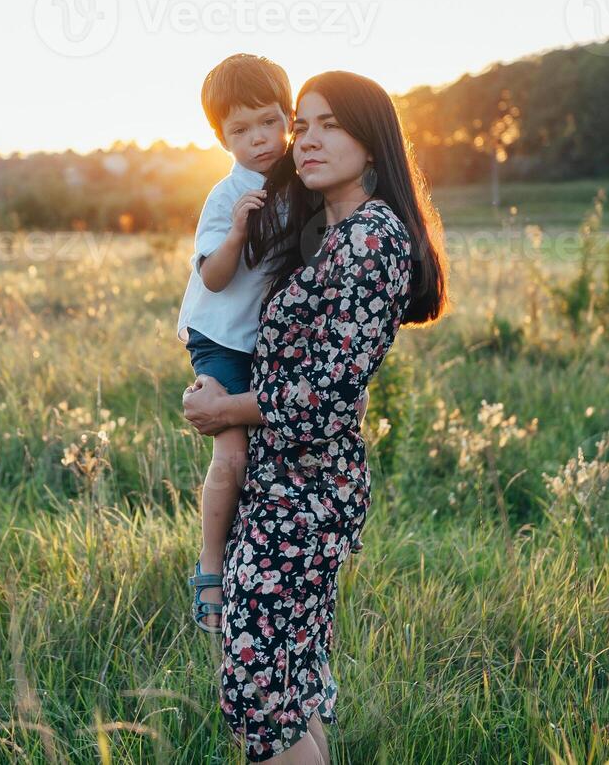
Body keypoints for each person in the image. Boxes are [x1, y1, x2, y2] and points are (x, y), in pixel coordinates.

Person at [183, 70, 448, 763]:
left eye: (330, 123)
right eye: (303, 125)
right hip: (277, 484)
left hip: (306, 493)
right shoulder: (322, 232)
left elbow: (324, 394)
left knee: (259, 691)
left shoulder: (370, 239)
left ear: (372, 139)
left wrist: (224, 410)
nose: (307, 139)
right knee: (283, 686)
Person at [176, 53, 293, 634]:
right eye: (239, 131)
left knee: (276, 451)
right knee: (234, 452)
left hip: (260, 336)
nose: (258, 140)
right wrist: (241, 231)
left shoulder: (301, 179)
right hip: (221, 335)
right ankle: (212, 570)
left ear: (288, 116)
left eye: (268, 122)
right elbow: (215, 277)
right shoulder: (226, 197)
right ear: (221, 138)